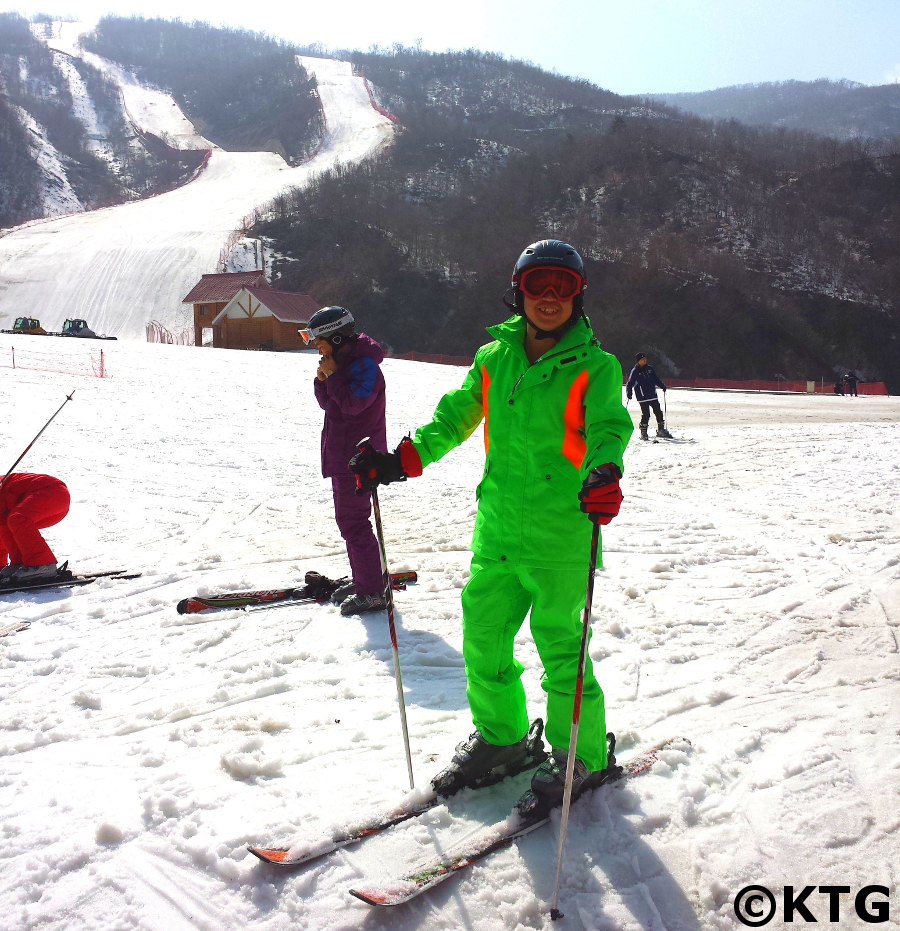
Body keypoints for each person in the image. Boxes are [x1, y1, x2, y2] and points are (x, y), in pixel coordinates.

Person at [349, 240, 633, 813]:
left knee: (561, 648)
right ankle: (503, 738)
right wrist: (402, 459)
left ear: (579, 295)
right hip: (499, 532)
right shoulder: (493, 360)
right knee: (482, 637)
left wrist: (603, 470)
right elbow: (454, 417)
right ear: (518, 290)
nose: (550, 298)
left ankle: (582, 755)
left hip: (562, 534)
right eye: (538, 285)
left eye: (563, 286)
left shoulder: (595, 367)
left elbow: (609, 426)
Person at [301, 306, 388, 616]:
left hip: (359, 459)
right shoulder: (345, 364)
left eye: (317, 339)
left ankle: (372, 592)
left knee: (353, 523)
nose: (314, 346)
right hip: (343, 457)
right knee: (351, 522)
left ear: (337, 338)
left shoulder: (366, 367)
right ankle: (367, 579)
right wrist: (323, 380)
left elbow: (353, 405)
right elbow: (330, 404)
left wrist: (335, 376)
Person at [0, 473, 70, 585]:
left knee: (18, 518)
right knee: (11, 523)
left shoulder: (3, 488)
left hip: (52, 492)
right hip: (55, 497)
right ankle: (21, 562)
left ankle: (42, 564)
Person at [626, 352, 672, 440]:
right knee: (646, 414)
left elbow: (656, 379)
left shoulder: (650, 369)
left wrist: (662, 386)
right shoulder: (635, 371)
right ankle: (643, 432)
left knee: (658, 411)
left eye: (645, 359)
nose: (645, 360)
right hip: (642, 397)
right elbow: (630, 383)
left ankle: (661, 429)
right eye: (642, 359)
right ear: (639, 361)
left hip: (652, 395)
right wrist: (629, 392)